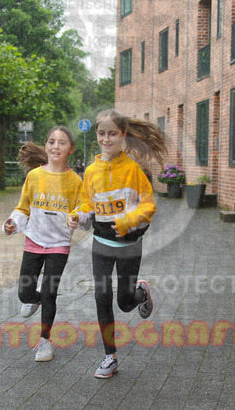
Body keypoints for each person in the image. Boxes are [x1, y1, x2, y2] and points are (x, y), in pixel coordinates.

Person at [67, 109, 167, 379]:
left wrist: (127, 221)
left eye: (112, 134)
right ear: (96, 135)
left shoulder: (133, 170)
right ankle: (109, 356)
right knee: (102, 297)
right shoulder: (90, 171)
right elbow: (87, 204)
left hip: (129, 245)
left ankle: (140, 293)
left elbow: (149, 206)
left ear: (123, 135)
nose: (106, 139)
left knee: (124, 302)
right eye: (102, 133)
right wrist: (78, 216)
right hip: (100, 242)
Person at [3, 126, 85, 362]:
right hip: (34, 241)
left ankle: (45, 341)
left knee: (50, 293)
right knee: (24, 293)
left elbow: (81, 209)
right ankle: (35, 299)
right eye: (51, 142)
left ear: (70, 149)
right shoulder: (34, 176)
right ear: (46, 146)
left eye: (62, 142)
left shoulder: (75, 181)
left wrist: (77, 217)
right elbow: (23, 207)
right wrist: (11, 223)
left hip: (59, 244)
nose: (55, 146)